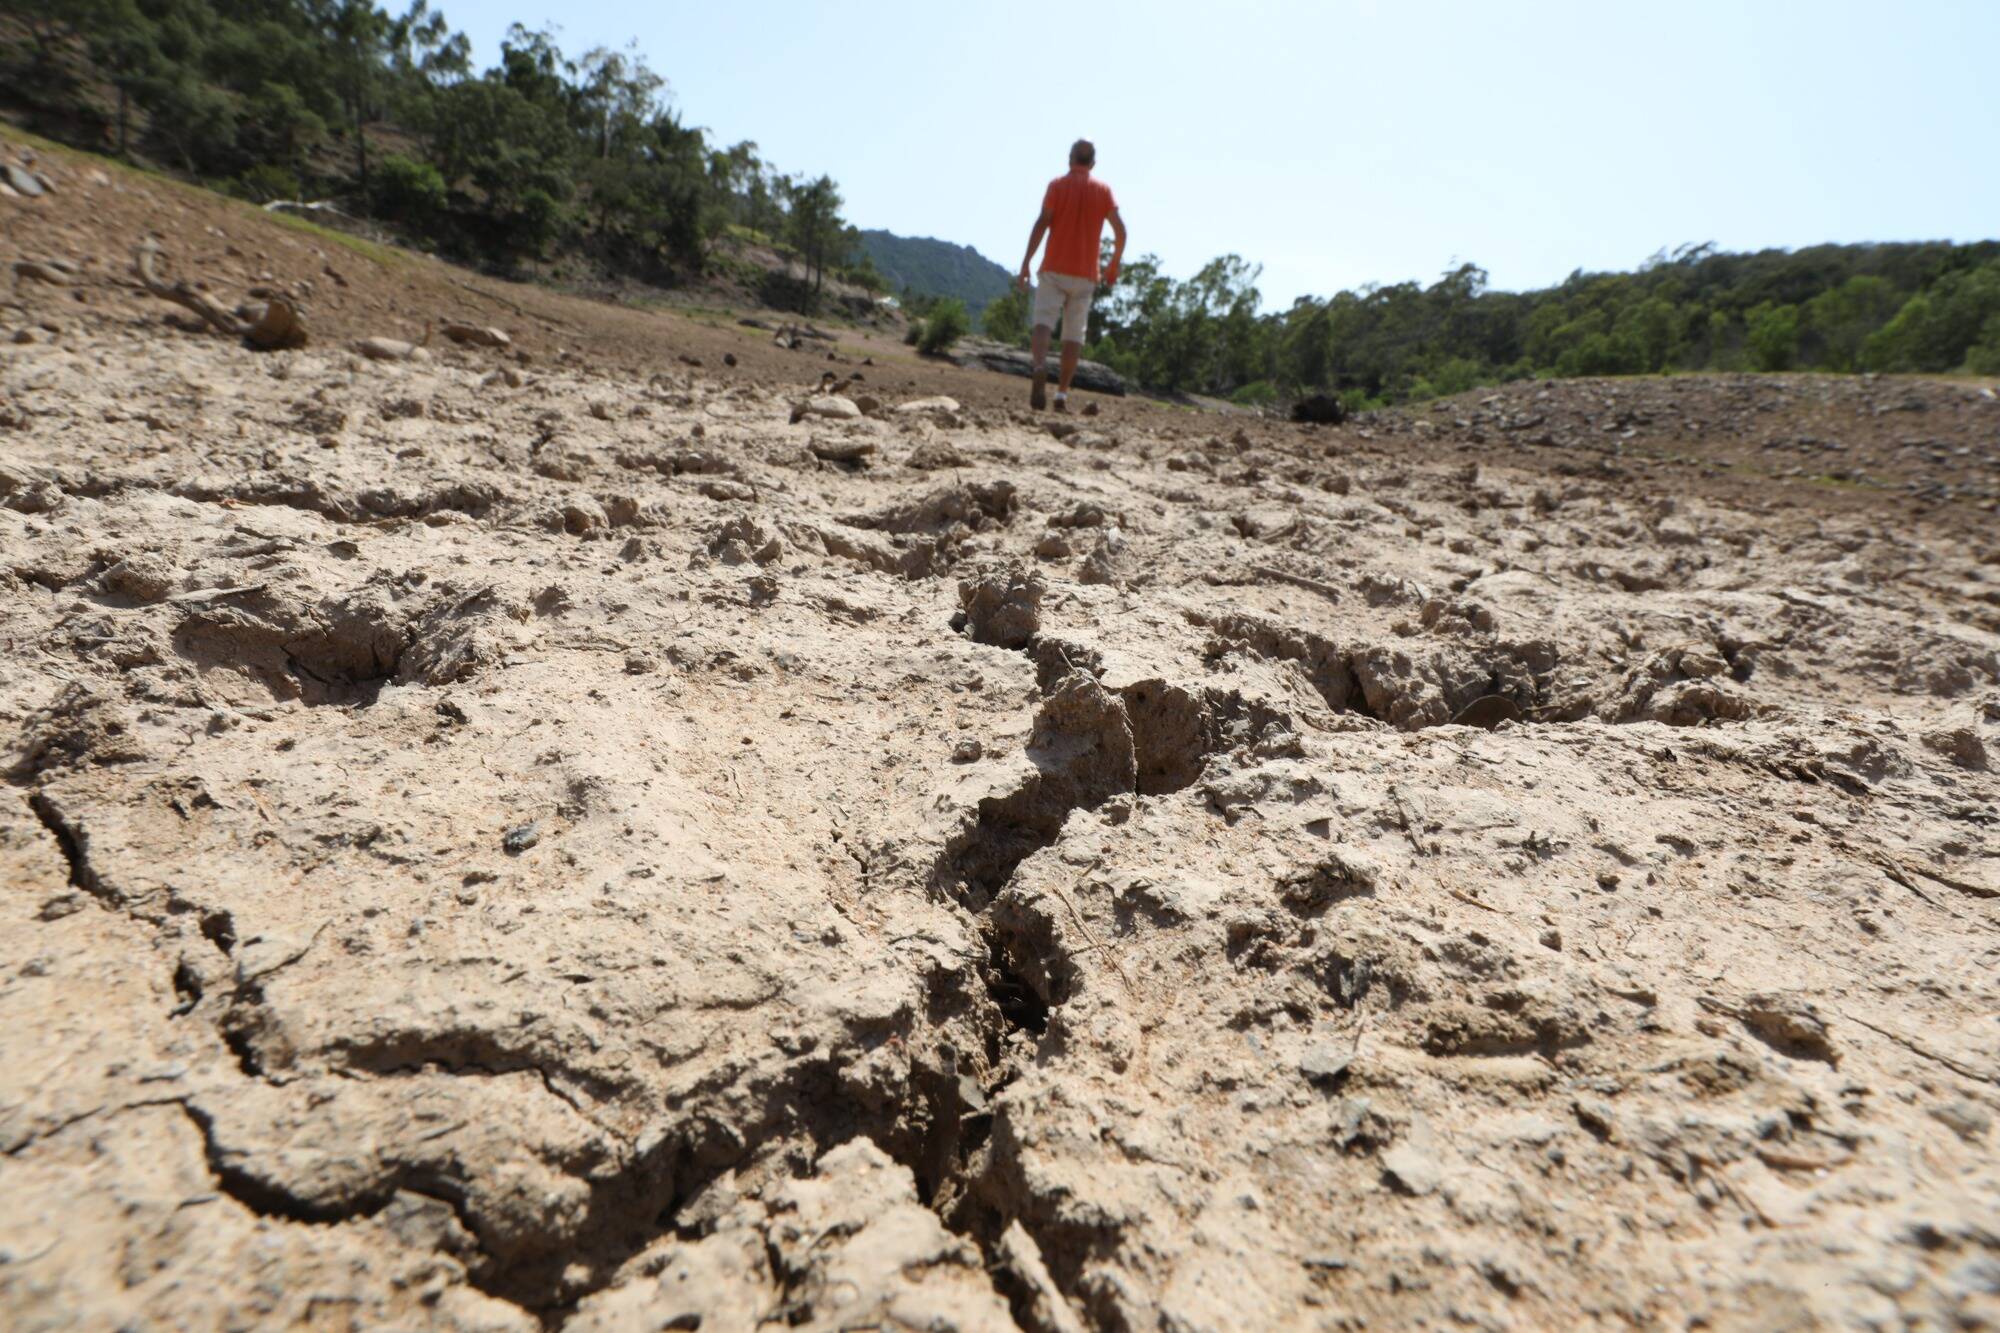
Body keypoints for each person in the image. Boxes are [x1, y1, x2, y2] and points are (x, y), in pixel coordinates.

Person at [1016, 139, 1125, 412]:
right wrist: (1113, 264)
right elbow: (1121, 231)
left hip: (1054, 268)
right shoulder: (1103, 191)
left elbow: (1042, 223)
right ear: (1093, 163)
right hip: (1086, 274)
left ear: (1070, 159)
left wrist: (1026, 262)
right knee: (1073, 336)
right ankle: (1061, 395)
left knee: (1043, 323)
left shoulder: (1057, 186)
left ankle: (1040, 366)